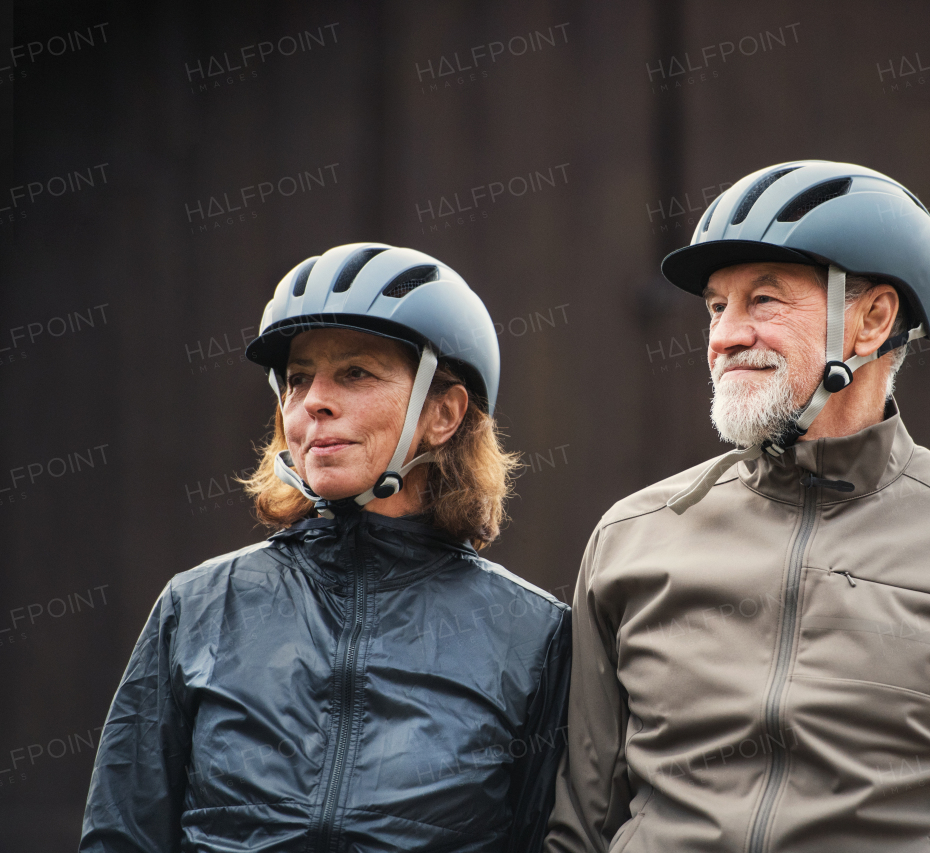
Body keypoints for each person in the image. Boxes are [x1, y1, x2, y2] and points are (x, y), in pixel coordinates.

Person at [545, 161, 930, 852]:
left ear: (872, 319)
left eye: (764, 300)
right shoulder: (631, 539)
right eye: (717, 306)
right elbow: (579, 826)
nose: (723, 335)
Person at [81, 243, 571, 853]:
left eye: (355, 373)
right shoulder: (199, 605)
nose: (312, 401)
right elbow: (121, 837)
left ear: (442, 413)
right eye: (296, 379)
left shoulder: (534, 633)